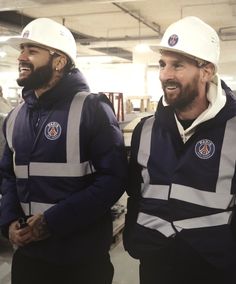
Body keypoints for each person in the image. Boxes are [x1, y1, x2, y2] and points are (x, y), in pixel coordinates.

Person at [0, 17, 127, 284]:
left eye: (32, 50)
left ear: (59, 62)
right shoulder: (14, 117)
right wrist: (10, 222)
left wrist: (53, 221)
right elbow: (8, 177)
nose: (21, 56)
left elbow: (113, 179)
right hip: (29, 259)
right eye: (22, 49)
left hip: (80, 261)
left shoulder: (92, 109)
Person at [123, 16, 236, 284]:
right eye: (162, 64)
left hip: (214, 267)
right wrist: (133, 238)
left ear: (206, 71)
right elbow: (135, 192)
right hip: (155, 263)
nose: (165, 75)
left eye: (178, 65)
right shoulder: (146, 129)